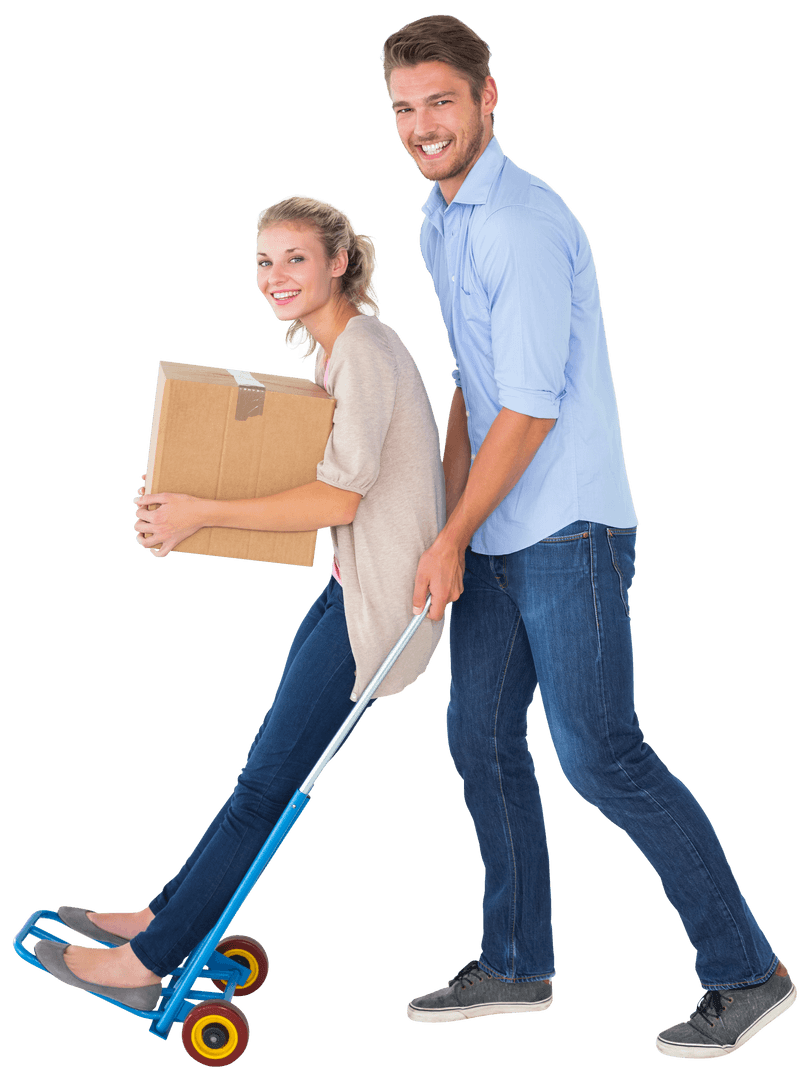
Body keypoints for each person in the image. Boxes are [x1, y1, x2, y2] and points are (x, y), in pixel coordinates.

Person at [382, 14, 797, 1059]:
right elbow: (471, 389)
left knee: (600, 754)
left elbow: (529, 409)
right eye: (404, 108)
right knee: (476, 738)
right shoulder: (440, 221)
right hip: (492, 534)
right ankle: (514, 963)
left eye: (441, 100)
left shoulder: (521, 222)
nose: (423, 125)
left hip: (569, 532)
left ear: (487, 98)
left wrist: (456, 532)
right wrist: (443, 531)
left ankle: (748, 971)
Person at [33, 194, 445, 1009]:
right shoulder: (338, 355)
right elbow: (302, 479)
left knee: (267, 789)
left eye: (295, 258)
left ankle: (150, 963)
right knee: (256, 777)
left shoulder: (362, 349)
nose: (275, 276)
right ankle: (164, 912)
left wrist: (204, 513)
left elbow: (338, 500)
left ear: (339, 262)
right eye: (264, 261)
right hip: (349, 588)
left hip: (381, 611)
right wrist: (181, 499)